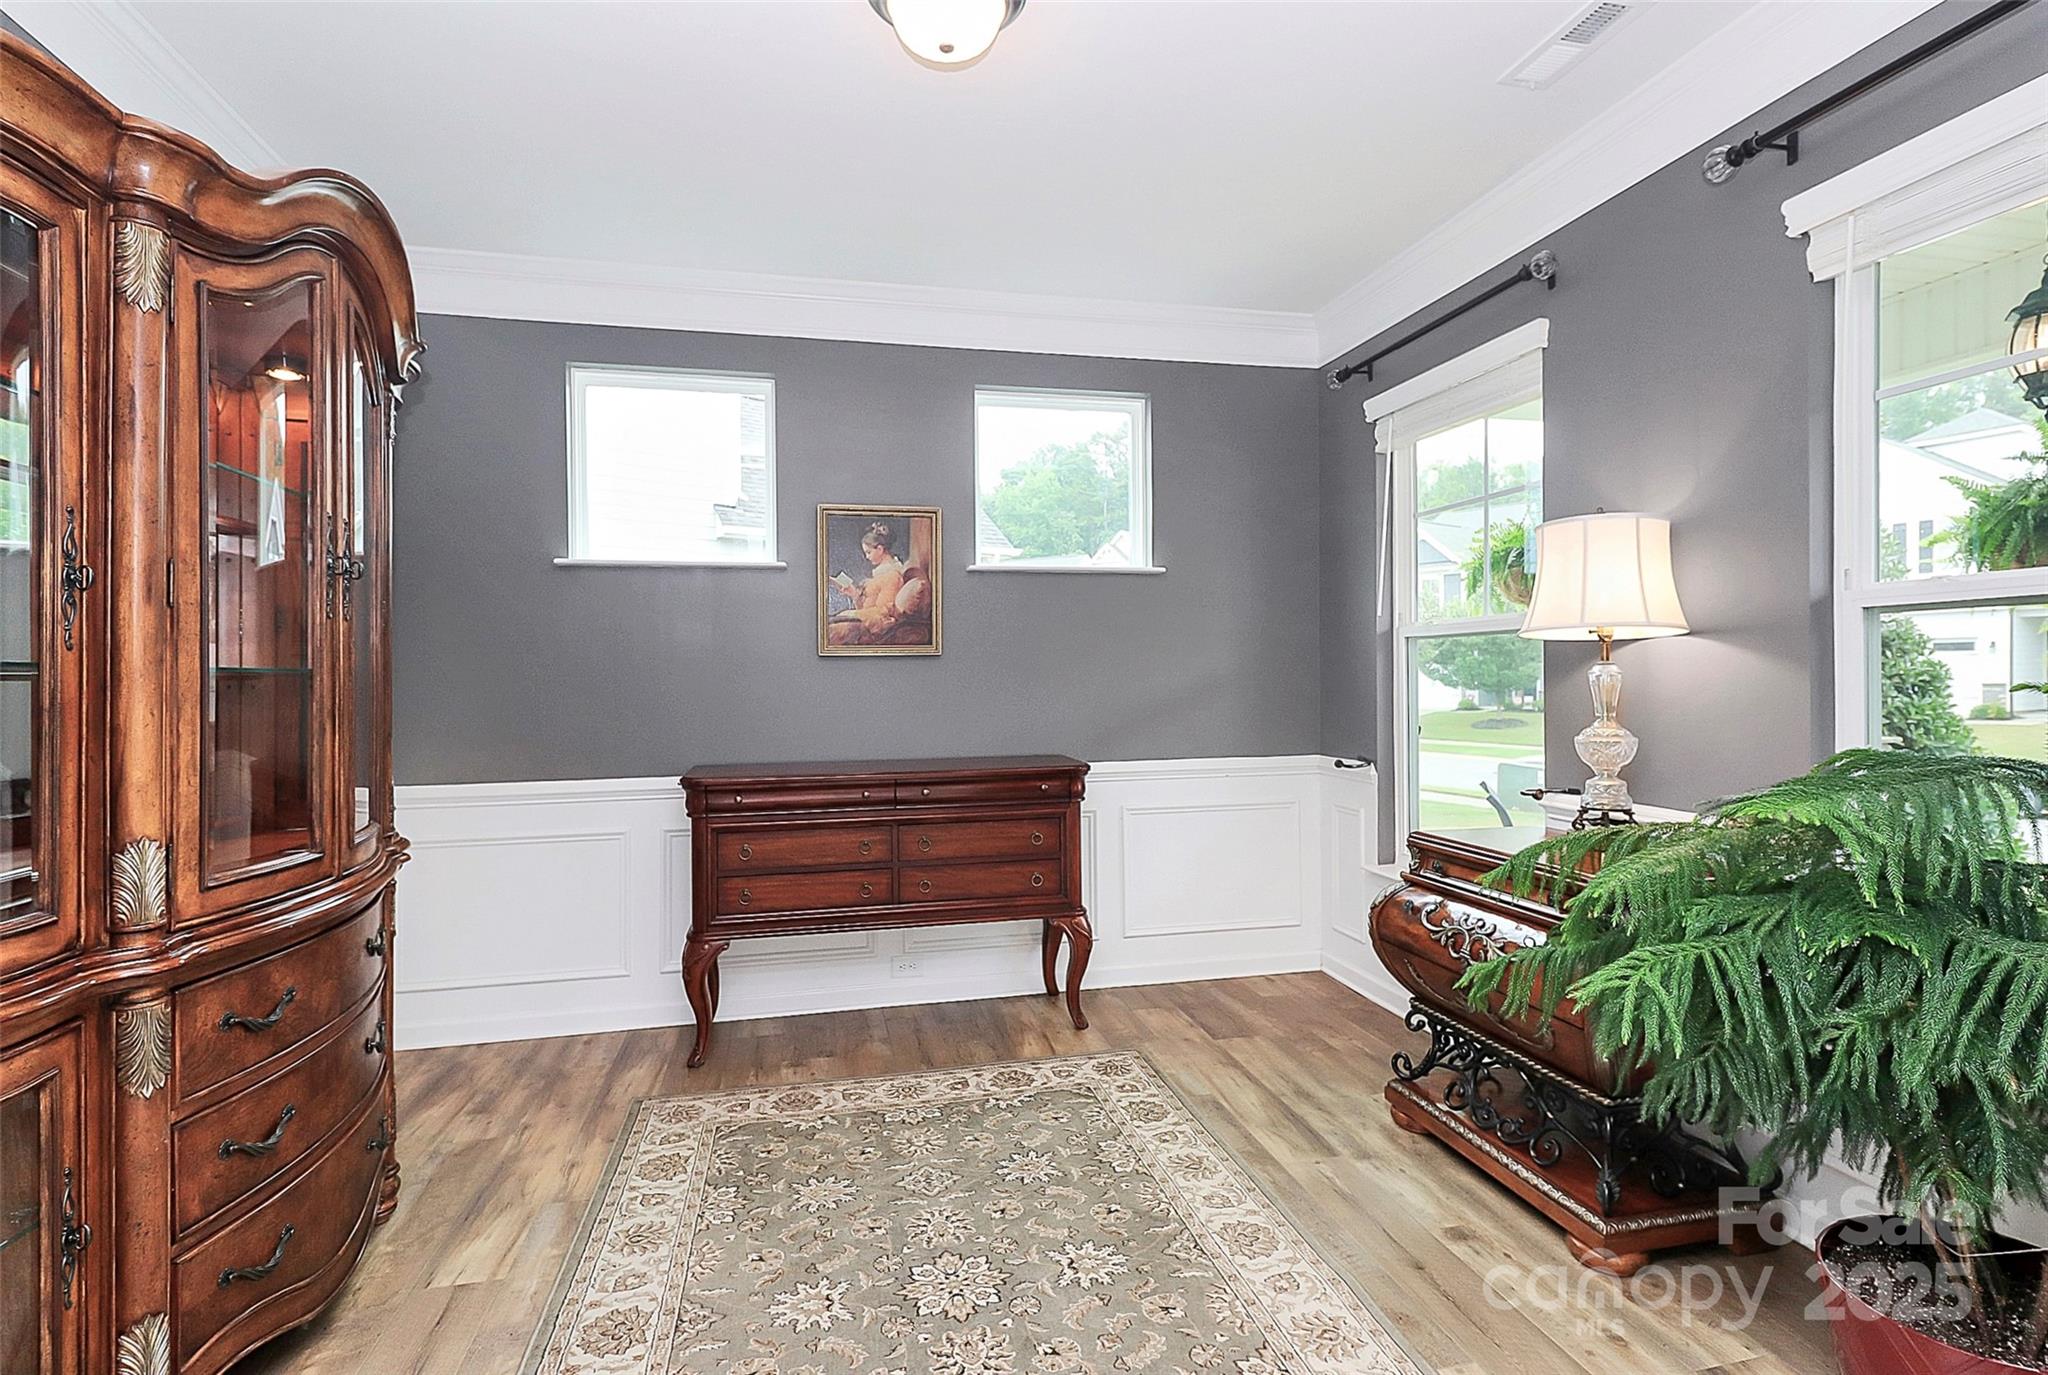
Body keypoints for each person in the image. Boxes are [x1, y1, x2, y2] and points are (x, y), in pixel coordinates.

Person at [825, 522, 907, 646]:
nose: (866, 557)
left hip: (876, 626)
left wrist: (851, 614)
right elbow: (868, 607)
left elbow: (883, 613)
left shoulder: (892, 576)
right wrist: (854, 594)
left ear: (880, 549)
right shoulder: (881, 574)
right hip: (865, 621)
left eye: (868, 552)